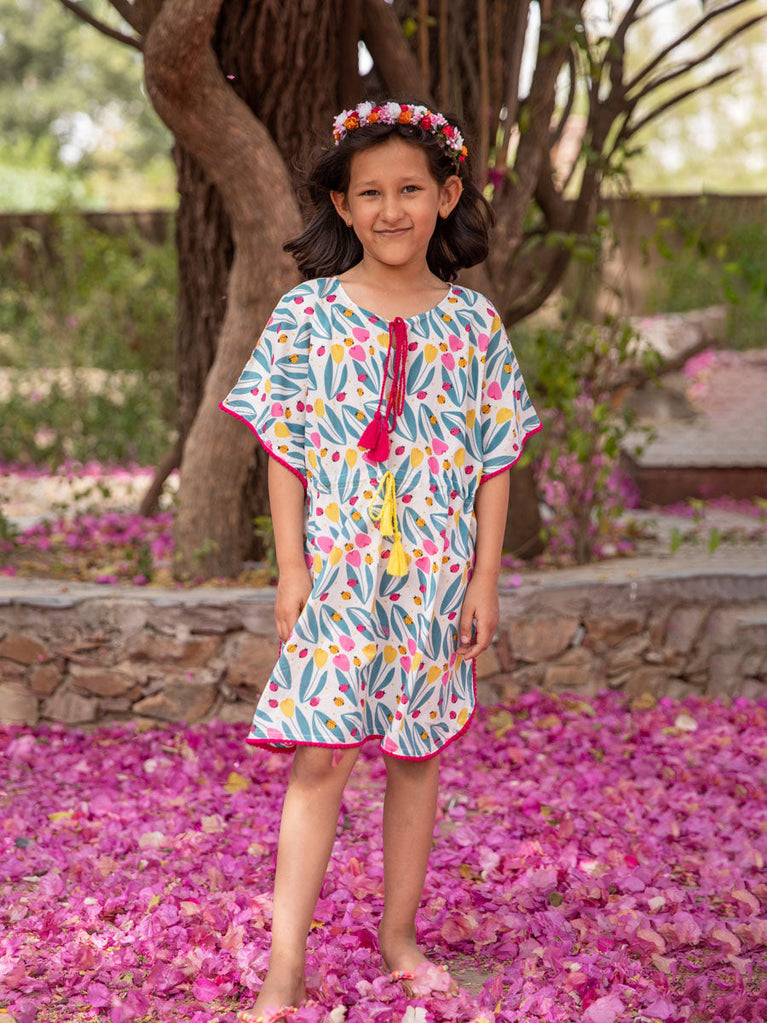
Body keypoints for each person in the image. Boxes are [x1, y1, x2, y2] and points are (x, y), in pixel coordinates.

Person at [220, 99, 541, 1023]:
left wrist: (482, 577)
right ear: (341, 203)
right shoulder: (307, 314)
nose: (391, 209)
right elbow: (285, 448)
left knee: (414, 753)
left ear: (447, 195)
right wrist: (291, 567)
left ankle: (399, 935)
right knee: (321, 756)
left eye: (409, 189)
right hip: (339, 574)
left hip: (435, 577)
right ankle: (285, 966)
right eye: (370, 193)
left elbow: (493, 458)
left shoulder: (473, 324)